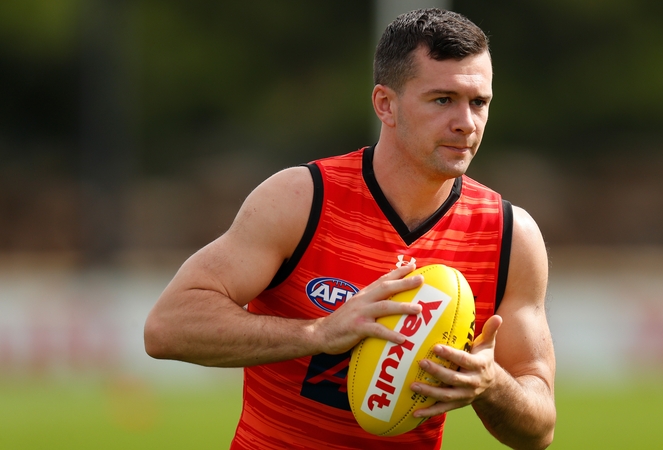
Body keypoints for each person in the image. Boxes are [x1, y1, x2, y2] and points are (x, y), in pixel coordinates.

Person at [144, 8, 556, 450]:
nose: (466, 123)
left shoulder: (510, 235)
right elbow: (167, 327)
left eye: (479, 102)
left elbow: (540, 430)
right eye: (442, 100)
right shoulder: (301, 200)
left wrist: (490, 383)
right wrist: (319, 333)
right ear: (385, 104)